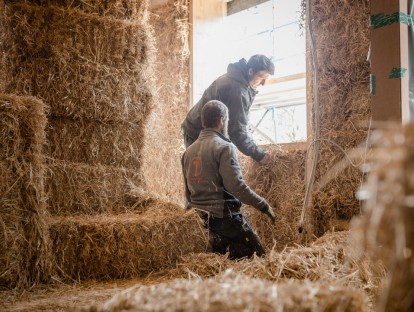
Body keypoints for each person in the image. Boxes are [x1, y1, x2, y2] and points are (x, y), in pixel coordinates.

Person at [181, 100, 276, 260]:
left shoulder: (188, 152)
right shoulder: (224, 147)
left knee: (221, 261)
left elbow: (188, 193)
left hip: (200, 219)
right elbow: (236, 186)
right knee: (260, 256)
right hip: (223, 217)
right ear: (221, 120)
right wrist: (263, 204)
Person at [181, 54, 275, 165]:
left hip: (206, 130)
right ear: (250, 71)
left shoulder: (239, 80)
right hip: (197, 130)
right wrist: (259, 155)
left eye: (266, 79)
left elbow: (241, 123)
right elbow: (236, 131)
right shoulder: (238, 90)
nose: (263, 83)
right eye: (261, 77)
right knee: (203, 175)